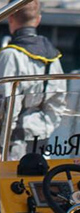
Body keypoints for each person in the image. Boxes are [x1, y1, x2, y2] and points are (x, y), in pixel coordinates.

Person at [0, 0, 66, 160]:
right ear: (38, 19)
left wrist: (3, 142)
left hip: (13, 141)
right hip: (40, 136)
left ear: (10, 19)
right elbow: (58, 101)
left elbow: (7, 103)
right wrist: (45, 127)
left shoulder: (10, 55)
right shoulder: (53, 57)